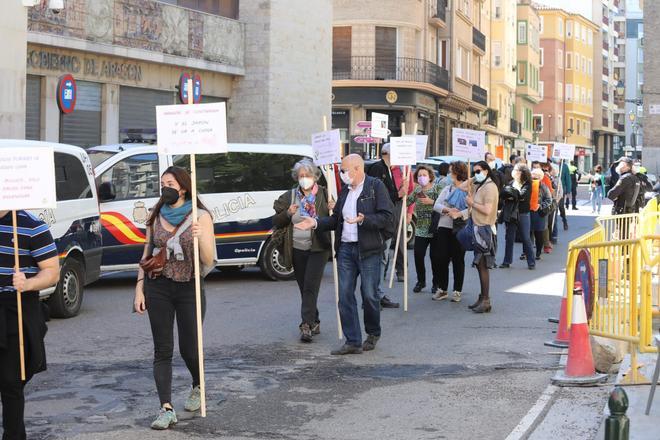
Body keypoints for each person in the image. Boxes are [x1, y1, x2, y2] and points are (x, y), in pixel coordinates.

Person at [134, 166, 216, 430]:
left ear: (182, 186)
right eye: (162, 183)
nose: (164, 188)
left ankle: (197, 385)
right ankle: (166, 408)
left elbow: (208, 260)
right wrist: (139, 289)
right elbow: (146, 253)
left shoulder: (200, 216)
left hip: (189, 287)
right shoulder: (156, 214)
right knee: (162, 349)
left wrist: (200, 238)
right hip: (158, 286)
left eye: (169, 183)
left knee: (189, 348)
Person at [295, 154, 394, 355]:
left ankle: (373, 332)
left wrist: (364, 219)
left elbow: (387, 217)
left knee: (369, 295)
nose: (341, 174)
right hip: (346, 250)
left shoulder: (375, 187)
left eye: (344, 170)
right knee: (345, 296)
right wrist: (315, 223)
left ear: (357, 169)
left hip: (368, 249)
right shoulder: (345, 192)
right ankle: (353, 341)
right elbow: (335, 220)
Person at [0, 210, 59, 440]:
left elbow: (52, 272)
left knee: (11, 382)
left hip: (16, 306)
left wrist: (28, 283)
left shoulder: (33, 226)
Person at [272, 159, 332, 343]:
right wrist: (288, 213)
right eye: (301, 176)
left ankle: (305, 325)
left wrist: (334, 209)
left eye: (308, 175)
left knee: (310, 287)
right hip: (296, 248)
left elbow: (337, 220)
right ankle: (315, 320)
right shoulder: (289, 196)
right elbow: (277, 221)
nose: (304, 179)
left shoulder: (326, 194)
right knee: (304, 288)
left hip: (318, 247)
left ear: (315, 176)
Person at [367, 143, 414, 308]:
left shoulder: (390, 169)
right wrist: (398, 193)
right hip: (379, 222)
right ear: (387, 153)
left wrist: (401, 191)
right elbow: (380, 195)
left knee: (383, 257)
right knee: (380, 257)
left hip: (387, 221)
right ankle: (374, 295)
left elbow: (391, 195)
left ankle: (377, 294)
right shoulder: (377, 168)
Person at [450, 161, 499, 313]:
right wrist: (473, 178)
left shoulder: (490, 187)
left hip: (484, 228)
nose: (476, 173)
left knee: (482, 264)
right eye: (474, 170)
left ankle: (486, 300)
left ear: (486, 171)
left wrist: (472, 203)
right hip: (477, 226)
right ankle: (482, 296)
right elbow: (461, 187)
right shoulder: (479, 184)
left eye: (478, 170)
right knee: (479, 265)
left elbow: (487, 209)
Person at [432, 161, 468, 302]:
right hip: (444, 227)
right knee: (441, 258)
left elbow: (471, 209)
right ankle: (442, 289)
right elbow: (436, 205)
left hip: (459, 229)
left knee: (458, 260)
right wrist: (448, 210)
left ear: (458, 173)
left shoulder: (468, 190)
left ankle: (457, 290)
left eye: (451, 171)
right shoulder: (448, 188)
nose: (449, 174)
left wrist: (459, 214)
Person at [407, 165, 442, 293]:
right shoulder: (417, 191)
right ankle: (421, 281)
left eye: (424, 175)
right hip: (421, 228)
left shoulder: (437, 188)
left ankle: (436, 283)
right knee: (418, 255)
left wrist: (431, 202)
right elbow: (406, 201)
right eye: (419, 175)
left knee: (435, 257)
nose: (422, 177)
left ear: (430, 176)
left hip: (435, 228)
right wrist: (403, 192)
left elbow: (445, 204)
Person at [499, 164, 536, 270]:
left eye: (516, 170)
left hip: (523, 213)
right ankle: (507, 261)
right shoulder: (511, 183)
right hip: (511, 213)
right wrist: (512, 195)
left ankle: (531, 262)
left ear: (521, 172)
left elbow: (521, 196)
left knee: (526, 238)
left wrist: (513, 195)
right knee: (509, 238)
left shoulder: (528, 184)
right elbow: (505, 195)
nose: (513, 172)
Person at [530, 168, 552, 260]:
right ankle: (528, 251)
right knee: (528, 232)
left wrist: (540, 205)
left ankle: (538, 252)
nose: (533, 177)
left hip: (539, 213)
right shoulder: (528, 185)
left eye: (536, 176)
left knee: (539, 233)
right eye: (532, 175)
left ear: (540, 177)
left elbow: (549, 200)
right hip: (529, 212)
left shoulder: (543, 187)